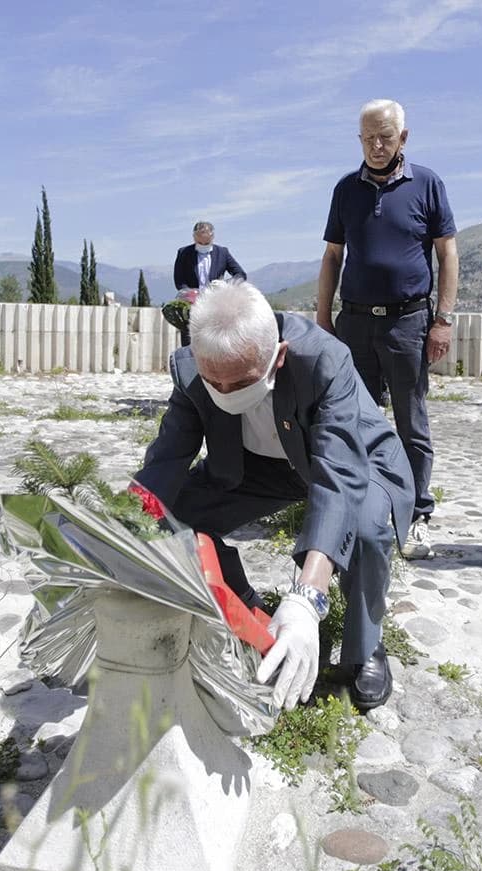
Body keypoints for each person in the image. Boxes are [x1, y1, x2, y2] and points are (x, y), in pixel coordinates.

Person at [133, 279, 414, 712]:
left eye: (242, 382)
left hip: (356, 461)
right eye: (214, 383)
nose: (226, 394)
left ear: (278, 356)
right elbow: (165, 461)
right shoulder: (193, 368)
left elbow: (338, 476)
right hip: (258, 468)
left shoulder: (323, 360)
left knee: (367, 529)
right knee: (179, 519)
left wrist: (307, 597)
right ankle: (249, 615)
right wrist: (122, 527)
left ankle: (364, 651)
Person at [316, 98, 458, 561]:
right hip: (354, 322)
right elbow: (333, 256)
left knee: (410, 423)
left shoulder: (428, 184)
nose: (377, 146)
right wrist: (323, 315)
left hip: (409, 323)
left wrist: (443, 318)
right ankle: (362, 510)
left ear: (404, 137)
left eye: (386, 136)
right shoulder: (345, 190)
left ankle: (415, 515)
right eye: (368, 137)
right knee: (353, 419)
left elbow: (447, 253)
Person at [169, 221, 247, 346]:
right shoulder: (183, 253)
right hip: (192, 306)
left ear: (212, 237)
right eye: (200, 242)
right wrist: (189, 294)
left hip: (216, 305)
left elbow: (240, 274)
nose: (203, 245)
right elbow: (179, 280)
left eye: (207, 242)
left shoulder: (222, 253)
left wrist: (224, 285)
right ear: (194, 237)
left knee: (214, 345)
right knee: (191, 345)